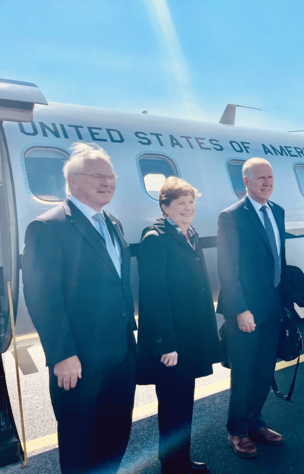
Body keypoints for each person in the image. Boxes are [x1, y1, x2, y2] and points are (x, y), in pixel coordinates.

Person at [22, 142, 137, 473]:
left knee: (116, 432)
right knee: (80, 441)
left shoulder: (113, 222)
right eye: (97, 176)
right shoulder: (49, 226)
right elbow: (42, 296)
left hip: (120, 352)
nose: (107, 182)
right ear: (72, 181)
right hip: (79, 359)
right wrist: (62, 354)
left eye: (111, 176)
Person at [137, 177, 222, 474]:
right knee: (174, 407)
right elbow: (154, 296)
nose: (188, 208)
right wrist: (166, 344)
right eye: (181, 203)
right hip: (172, 343)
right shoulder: (156, 239)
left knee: (184, 403)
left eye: (191, 202)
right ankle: (173, 467)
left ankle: (180, 463)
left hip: (190, 338)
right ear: (165, 207)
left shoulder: (188, 234)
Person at [217, 157, 292, 458]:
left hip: (273, 306)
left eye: (270, 177)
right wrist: (240, 309)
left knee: (264, 370)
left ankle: (255, 422)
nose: (267, 182)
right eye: (260, 178)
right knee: (244, 371)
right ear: (245, 182)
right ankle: (236, 430)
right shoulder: (232, 216)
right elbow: (227, 267)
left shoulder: (278, 211)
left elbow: (278, 259)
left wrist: (286, 300)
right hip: (246, 310)